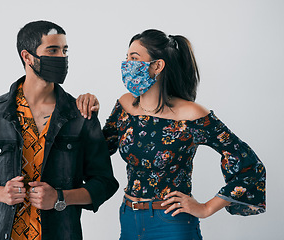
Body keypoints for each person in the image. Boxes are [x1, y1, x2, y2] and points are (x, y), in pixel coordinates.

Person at [76, 29, 266, 239]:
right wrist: (89, 114)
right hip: (129, 218)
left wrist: (205, 208)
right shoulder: (125, 105)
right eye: (126, 57)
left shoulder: (192, 115)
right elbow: (97, 152)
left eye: (134, 58)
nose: (127, 64)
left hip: (171, 222)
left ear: (157, 65)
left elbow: (251, 168)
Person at [0, 20, 119, 240]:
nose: (61, 57)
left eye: (64, 50)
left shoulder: (80, 115)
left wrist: (60, 197)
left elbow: (104, 183)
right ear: (27, 56)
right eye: (52, 50)